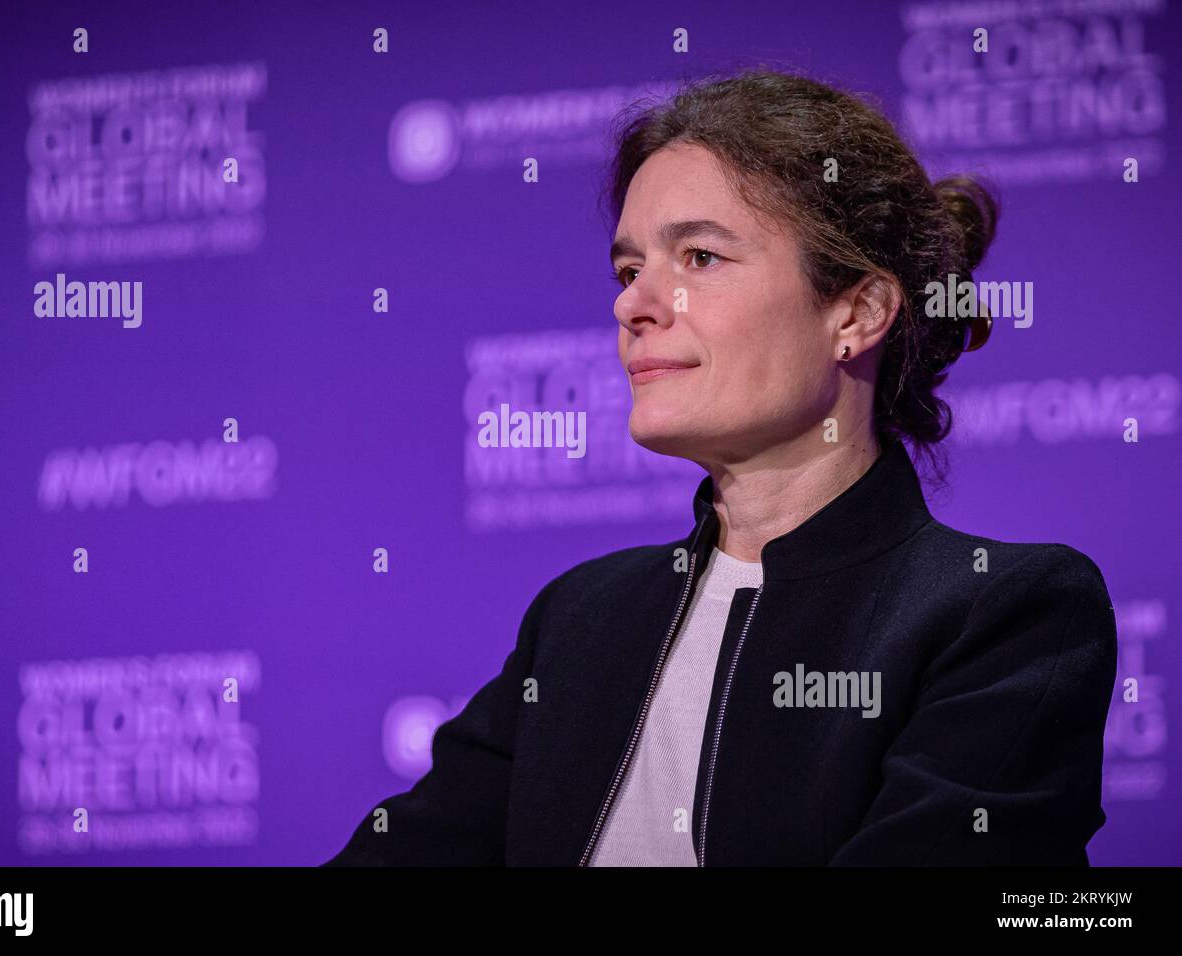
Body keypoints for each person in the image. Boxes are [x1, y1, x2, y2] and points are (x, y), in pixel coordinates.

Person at [324, 69, 1117, 866]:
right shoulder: (581, 622)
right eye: (629, 270)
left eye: (699, 257)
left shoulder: (1004, 616)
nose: (633, 305)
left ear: (858, 313)